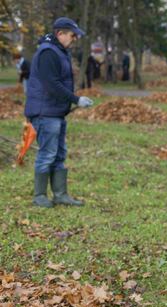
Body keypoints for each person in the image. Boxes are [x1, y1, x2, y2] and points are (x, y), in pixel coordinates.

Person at [24, 17, 94, 208]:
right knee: (47, 154)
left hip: (55, 113)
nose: (74, 39)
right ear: (60, 33)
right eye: (72, 35)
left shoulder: (59, 51)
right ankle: (39, 196)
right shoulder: (48, 53)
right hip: (44, 112)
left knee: (59, 154)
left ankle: (60, 194)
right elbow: (51, 84)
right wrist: (76, 99)